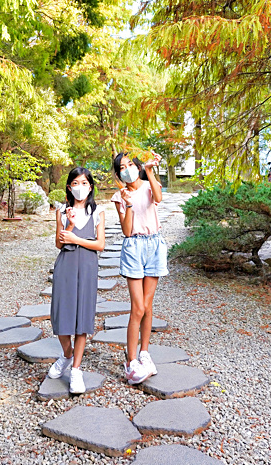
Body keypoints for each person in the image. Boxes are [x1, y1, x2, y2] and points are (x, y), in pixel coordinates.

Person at [47, 166, 105, 394]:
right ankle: (67, 354)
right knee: (61, 314)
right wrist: (69, 225)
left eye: (84, 183)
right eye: (75, 183)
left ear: (90, 187)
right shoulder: (61, 211)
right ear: (69, 186)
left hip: (88, 265)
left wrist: (76, 239)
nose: (80, 187)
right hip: (66, 264)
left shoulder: (97, 211)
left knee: (83, 318)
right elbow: (59, 244)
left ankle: (76, 370)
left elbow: (100, 245)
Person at [111, 151, 166, 384]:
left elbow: (159, 197)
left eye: (129, 164)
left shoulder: (148, 184)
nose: (127, 169)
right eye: (121, 167)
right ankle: (131, 361)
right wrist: (128, 203)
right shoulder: (119, 196)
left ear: (136, 165)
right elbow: (126, 230)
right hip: (133, 247)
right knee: (138, 307)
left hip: (154, 244)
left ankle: (145, 353)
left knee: (148, 305)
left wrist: (150, 170)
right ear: (118, 173)